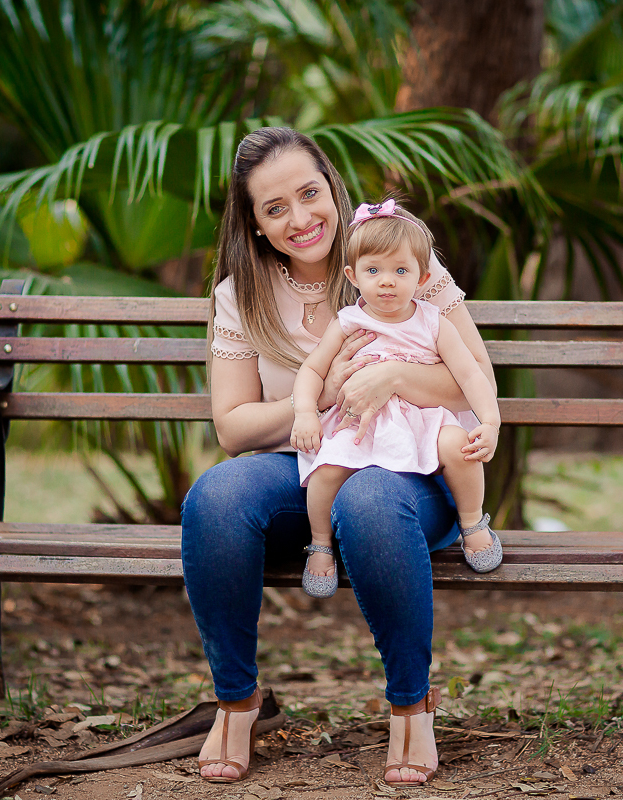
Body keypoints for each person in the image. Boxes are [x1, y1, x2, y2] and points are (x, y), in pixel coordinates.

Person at [180, 126, 496, 787]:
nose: (299, 219)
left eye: (308, 194)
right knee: (216, 497)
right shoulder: (241, 295)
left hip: (415, 468)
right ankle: (237, 702)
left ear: (332, 187)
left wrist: (395, 377)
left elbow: (477, 381)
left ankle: (411, 704)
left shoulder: (400, 261)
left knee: (370, 499)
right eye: (275, 208)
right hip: (312, 465)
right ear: (255, 223)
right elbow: (234, 427)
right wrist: (322, 395)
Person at [291, 199, 502, 599]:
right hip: (359, 423)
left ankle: (472, 522)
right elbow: (312, 371)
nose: (386, 282)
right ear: (353, 275)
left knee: (460, 447)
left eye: (400, 271)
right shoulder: (348, 322)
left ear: (422, 278)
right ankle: (319, 544)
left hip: (423, 419)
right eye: (373, 271)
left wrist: (490, 422)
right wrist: (304, 411)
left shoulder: (433, 322)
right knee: (325, 472)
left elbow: (471, 375)